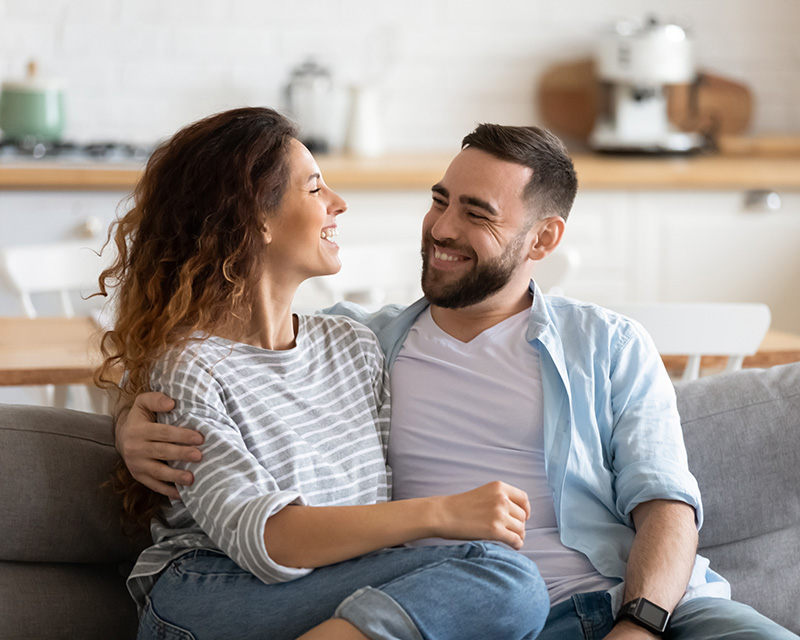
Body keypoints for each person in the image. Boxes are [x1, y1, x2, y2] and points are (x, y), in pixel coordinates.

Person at [116, 122, 799, 639]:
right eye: (440, 200)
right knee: (505, 584)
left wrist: (640, 625)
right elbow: (223, 354)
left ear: (543, 239)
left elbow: (669, 507)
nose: (441, 228)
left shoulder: (608, 345)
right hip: (479, 614)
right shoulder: (374, 341)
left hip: (638, 609)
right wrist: (129, 425)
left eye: (476, 213)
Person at [96, 107, 550, 640]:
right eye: (314, 189)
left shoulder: (355, 345)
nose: (338, 204)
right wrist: (443, 514)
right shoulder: (187, 367)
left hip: (331, 592)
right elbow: (264, 538)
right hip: (209, 590)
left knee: (503, 584)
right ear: (254, 217)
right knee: (507, 580)